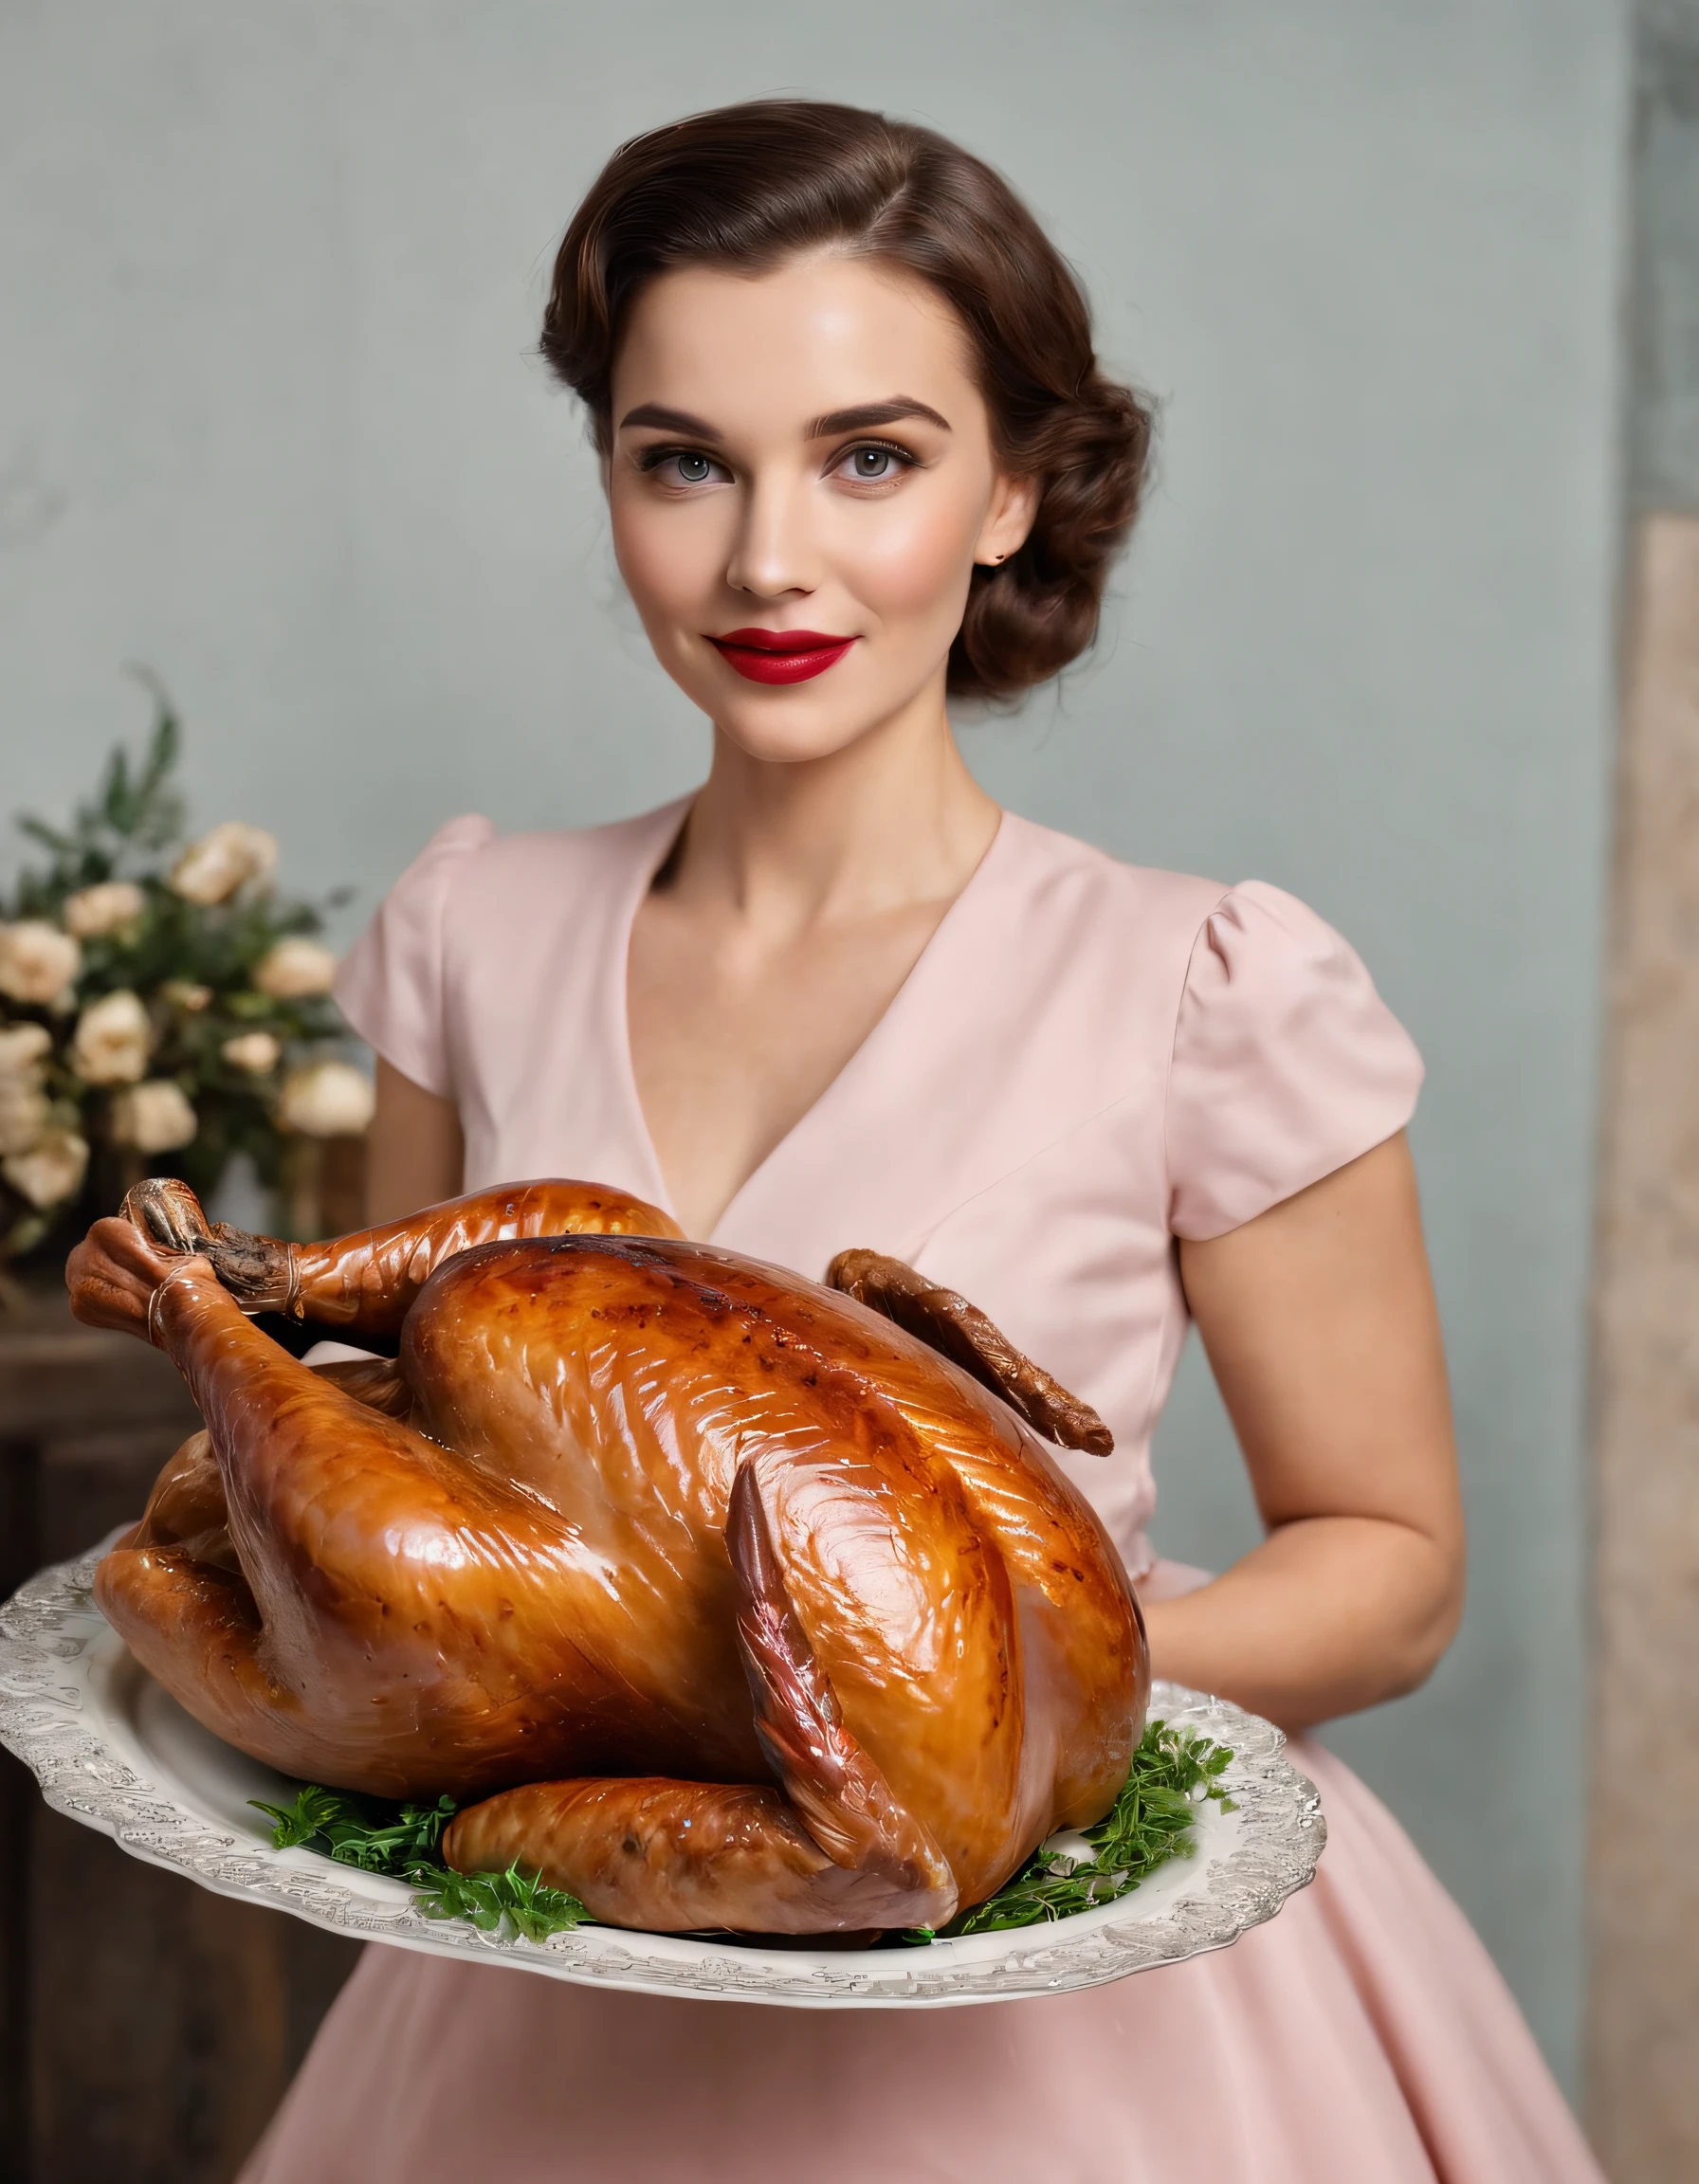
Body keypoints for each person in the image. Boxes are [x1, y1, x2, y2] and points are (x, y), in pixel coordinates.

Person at [242, 100, 1602, 2184]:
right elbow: (382, 1453)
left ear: (1010, 495)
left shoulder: (1199, 985)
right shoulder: (468, 934)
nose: (765, 556)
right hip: (570, 1977)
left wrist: (958, 1700)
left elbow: (1391, 1577)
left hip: (1058, 2030)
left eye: (866, 457)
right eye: (681, 460)